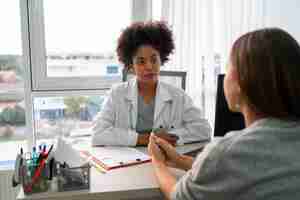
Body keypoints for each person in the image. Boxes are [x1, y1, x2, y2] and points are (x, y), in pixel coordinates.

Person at [148, 27, 300, 200]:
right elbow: (240, 170)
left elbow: (179, 196)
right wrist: (179, 160)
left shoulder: (228, 151)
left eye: (228, 68)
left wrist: (158, 162)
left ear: (242, 81)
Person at [91, 21, 211, 146]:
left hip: (165, 158)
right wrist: (145, 139)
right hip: (128, 161)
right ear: (131, 66)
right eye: (141, 61)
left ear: (161, 60)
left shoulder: (178, 96)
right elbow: (98, 133)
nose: (149, 66)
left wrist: (172, 137)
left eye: (154, 60)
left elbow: (204, 129)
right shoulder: (117, 94)